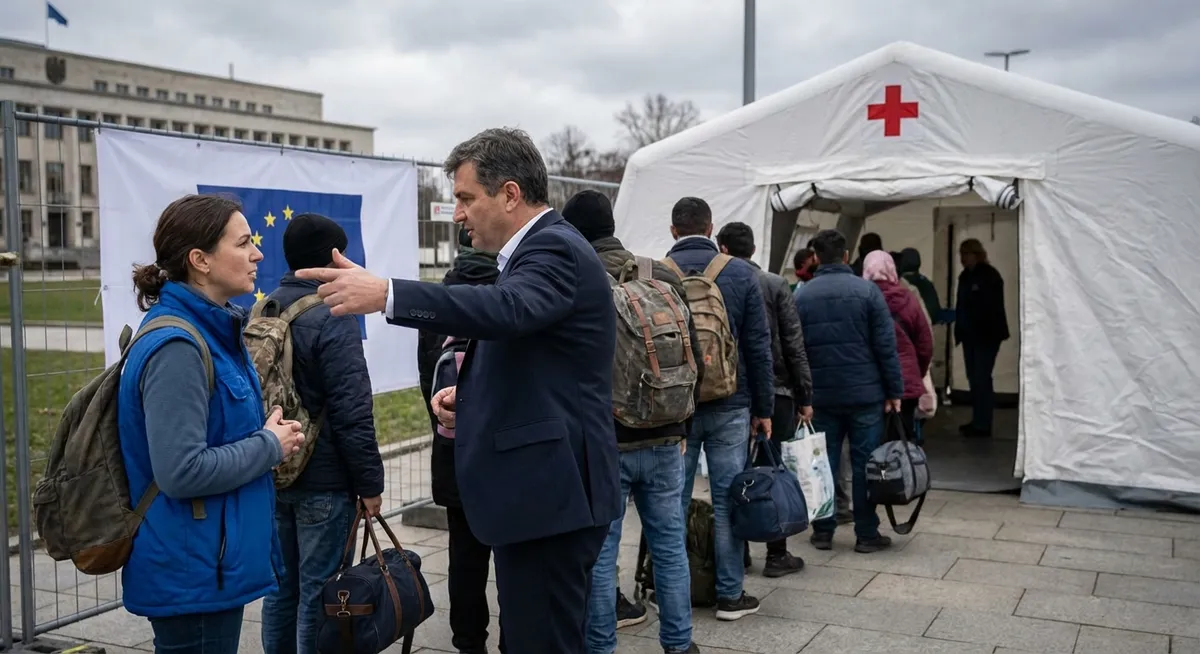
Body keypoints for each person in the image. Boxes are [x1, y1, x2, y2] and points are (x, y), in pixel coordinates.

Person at [295, 127, 621, 653]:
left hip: (552, 500)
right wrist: (467, 401)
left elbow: (506, 311)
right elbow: (533, 356)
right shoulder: (533, 252)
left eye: (466, 198)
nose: (458, 214)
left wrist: (387, 293)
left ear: (510, 194)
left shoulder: (554, 247)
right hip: (542, 496)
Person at [118, 194, 306, 654]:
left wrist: (260, 431)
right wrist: (269, 445)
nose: (257, 254)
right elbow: (180, 471)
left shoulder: (210, 331)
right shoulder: (178, 347)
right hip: (192, 572)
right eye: (242, 244)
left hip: (207, 562)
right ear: (200, 260)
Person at [562, 190, 702, 654]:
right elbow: (692, 354)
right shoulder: (660, 272)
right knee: (670, 547)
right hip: (665, 434)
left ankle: (600, 646)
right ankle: (679, 644)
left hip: (605, 440)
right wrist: (682, 424)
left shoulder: (578, 277)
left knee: (602, 554)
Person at [260, 213, 386, 654]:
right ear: (333, 258)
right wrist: (370, 483)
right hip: (324, 481)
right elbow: (353, 410)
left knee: (280, 589)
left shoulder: (265, 308)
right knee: (320, 592)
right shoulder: (333, 314)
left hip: (274, 469)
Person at [664, 198, 774, 621]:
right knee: (729, 500)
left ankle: (673, 597)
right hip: (732, 402)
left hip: (676, 409)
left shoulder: (656, 274)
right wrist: (763, 409)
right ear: (711, 229)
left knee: (672, 502)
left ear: (673, 230)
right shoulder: (742, 274)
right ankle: (730, 595)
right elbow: (759, 348)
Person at [416, 226, 503, 654]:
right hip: (504, 451)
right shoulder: (508, 293)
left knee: (464, 554)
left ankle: (469, 642)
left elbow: (426, 377)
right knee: (510, 552)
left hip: (453, 448)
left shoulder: (440, 299)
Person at [795, 229, 903, 554]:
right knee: (865, 463)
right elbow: (886, 346)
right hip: (865, 395)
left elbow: (794, 350)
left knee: (823, 463)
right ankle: (867, 533)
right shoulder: (868, 292)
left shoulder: (802, 295)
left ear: (816, 258)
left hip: (821, 397)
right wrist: (894, 391)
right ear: (845, 256)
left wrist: (802, 396)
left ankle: (823, 531)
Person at [716, 221, 812, 578]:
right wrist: (805, 395)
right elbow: (793, 344)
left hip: (730, 393)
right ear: (754, 249)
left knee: (734, 474)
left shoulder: (717, 282)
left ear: (722, 248)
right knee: (773, 471)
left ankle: (738, 552)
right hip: (777, 391)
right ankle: (776, 552)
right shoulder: (774, 283)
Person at [862, 250, 934, 443]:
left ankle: (875, 463)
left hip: (869, 382)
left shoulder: (860, 300)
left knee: (870, 442)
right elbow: (925, 344)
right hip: (905, 381)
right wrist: (917, 371)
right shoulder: (908, 298)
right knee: (900, 440)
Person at [954, 238, 1009, 437]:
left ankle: (983, 422)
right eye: (961, 255)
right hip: (971, 335)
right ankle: (979, 419)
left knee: (981, 377)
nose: (963, 259)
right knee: (975, 378)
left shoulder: (989, 276)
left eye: (966, 254)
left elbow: (990, 309)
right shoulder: (965, 277)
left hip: (985, 336)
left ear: (976, 255)